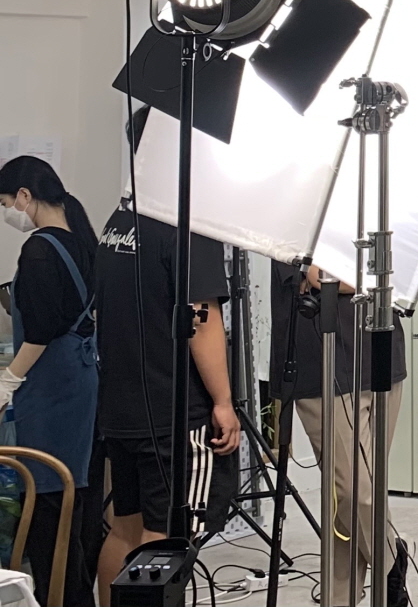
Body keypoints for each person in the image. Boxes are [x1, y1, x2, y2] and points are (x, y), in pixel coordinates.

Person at [95, 197, 241, 600]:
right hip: (172, 414)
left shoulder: (120, 219)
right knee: (167, 538)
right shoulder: (190, 226)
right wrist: (223, 401)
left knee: (124, 529)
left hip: (121, 408)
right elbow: (202, 318)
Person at [267, 262, 411, 607]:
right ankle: (391, 562)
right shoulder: (298, 226)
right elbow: (322, 278)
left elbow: (402, 270)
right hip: (323, 363)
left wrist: (380, 279)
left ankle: (338, 598)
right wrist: (381, 280)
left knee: (355, 493)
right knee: (352, 491)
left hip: (381, 349)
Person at [0, 156, 99, 606]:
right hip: (79, 382)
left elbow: (39, 331)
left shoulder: (39, 249)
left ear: (25, 196)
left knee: (47, 503)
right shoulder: (81, 241)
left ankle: (59, 596)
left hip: (51, 389)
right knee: (73, 505)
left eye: (6, 203)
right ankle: (73, 592)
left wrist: (8, 380)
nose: (8, 213)